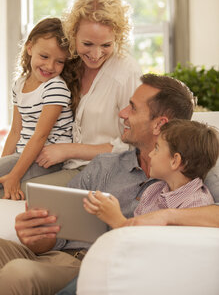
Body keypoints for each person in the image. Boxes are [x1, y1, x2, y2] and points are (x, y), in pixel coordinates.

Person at [0, 74, 198, 294]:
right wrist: (38, 236)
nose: (122, 113)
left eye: (132, 108)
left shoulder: (185, 181)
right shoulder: (106, 165)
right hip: (54, 257)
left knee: (17, 274)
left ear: (159, 124)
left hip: (91, 268)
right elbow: (55, 236)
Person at [21, 0, 141, 190]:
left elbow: (132, 145)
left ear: (118, 39)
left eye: (106, 45)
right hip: (59, 163)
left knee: (24, 190)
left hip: (102, 170)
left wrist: (69, 150)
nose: (95, 54)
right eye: (87, 43)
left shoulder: (126, 72)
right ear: (72, 34)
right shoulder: (66, 63)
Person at [83, 119, 219, 229]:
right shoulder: (153, 191)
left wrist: (117, 221)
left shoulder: (197, 205)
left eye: (157, 148)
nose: (150, 154)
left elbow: (157, 252)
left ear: (175, 161)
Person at [0, 17, 78, 200]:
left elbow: (40, 136)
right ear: (29, 48)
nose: (50, 66)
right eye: (44, 56)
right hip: (24, 155)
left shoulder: (55, 88)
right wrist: (4, 164)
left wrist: (14, 175)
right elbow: (15, 131)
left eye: (59, 61)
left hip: (46, 159)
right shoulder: (20, 84)